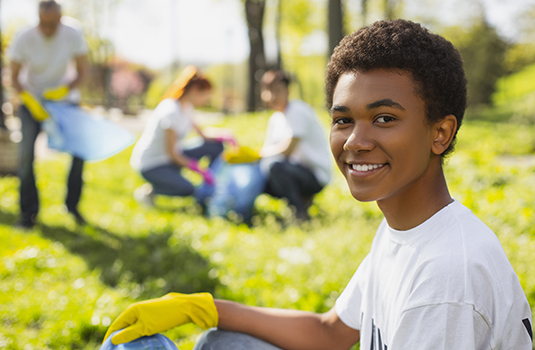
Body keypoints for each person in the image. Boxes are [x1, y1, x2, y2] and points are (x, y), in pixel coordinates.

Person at [103, 20, 533, 349]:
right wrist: (204, 308)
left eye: (384, 119)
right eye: (344, 120)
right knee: (221, 340)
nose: (356, 141)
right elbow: (331, 333)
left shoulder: (446, 279)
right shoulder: (405, 230)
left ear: (439, 133)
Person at [9, 0, 89, 228]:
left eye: (52, 24)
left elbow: (83, 72)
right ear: (38, 18)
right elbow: (13, 76)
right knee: (25, 157)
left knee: (79, 153)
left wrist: (67, 88)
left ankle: (72, 206)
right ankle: (28, 214)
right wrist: (28, 99)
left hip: (64, 102)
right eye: (43, 24)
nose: (47, 30)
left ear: (61, 19)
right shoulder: (24, 36)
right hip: (32, 101)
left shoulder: (73, 33)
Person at [129, 66, 225, 207]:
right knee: (188, 189)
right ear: (195, 91)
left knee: (215, 146)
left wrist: (224, 136)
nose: (206, 100)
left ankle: (212, 185)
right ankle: (149, 192)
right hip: (153, 164)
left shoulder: (187, 107)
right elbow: (172, 154)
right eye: (205, 95)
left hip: (171, 157)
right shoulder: (170, 111)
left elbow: (203, 135)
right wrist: (199, 170)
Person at [259, 70, 332, 221]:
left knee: (275, 167)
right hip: (293, 170)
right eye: (268, 90)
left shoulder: (297, 110)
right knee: (260, 174)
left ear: (287, 91)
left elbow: (286, 150)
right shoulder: (275, 119)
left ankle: (299, 213)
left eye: (277, 90)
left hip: (314, 175)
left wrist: (257, 154)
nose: (272, 96)